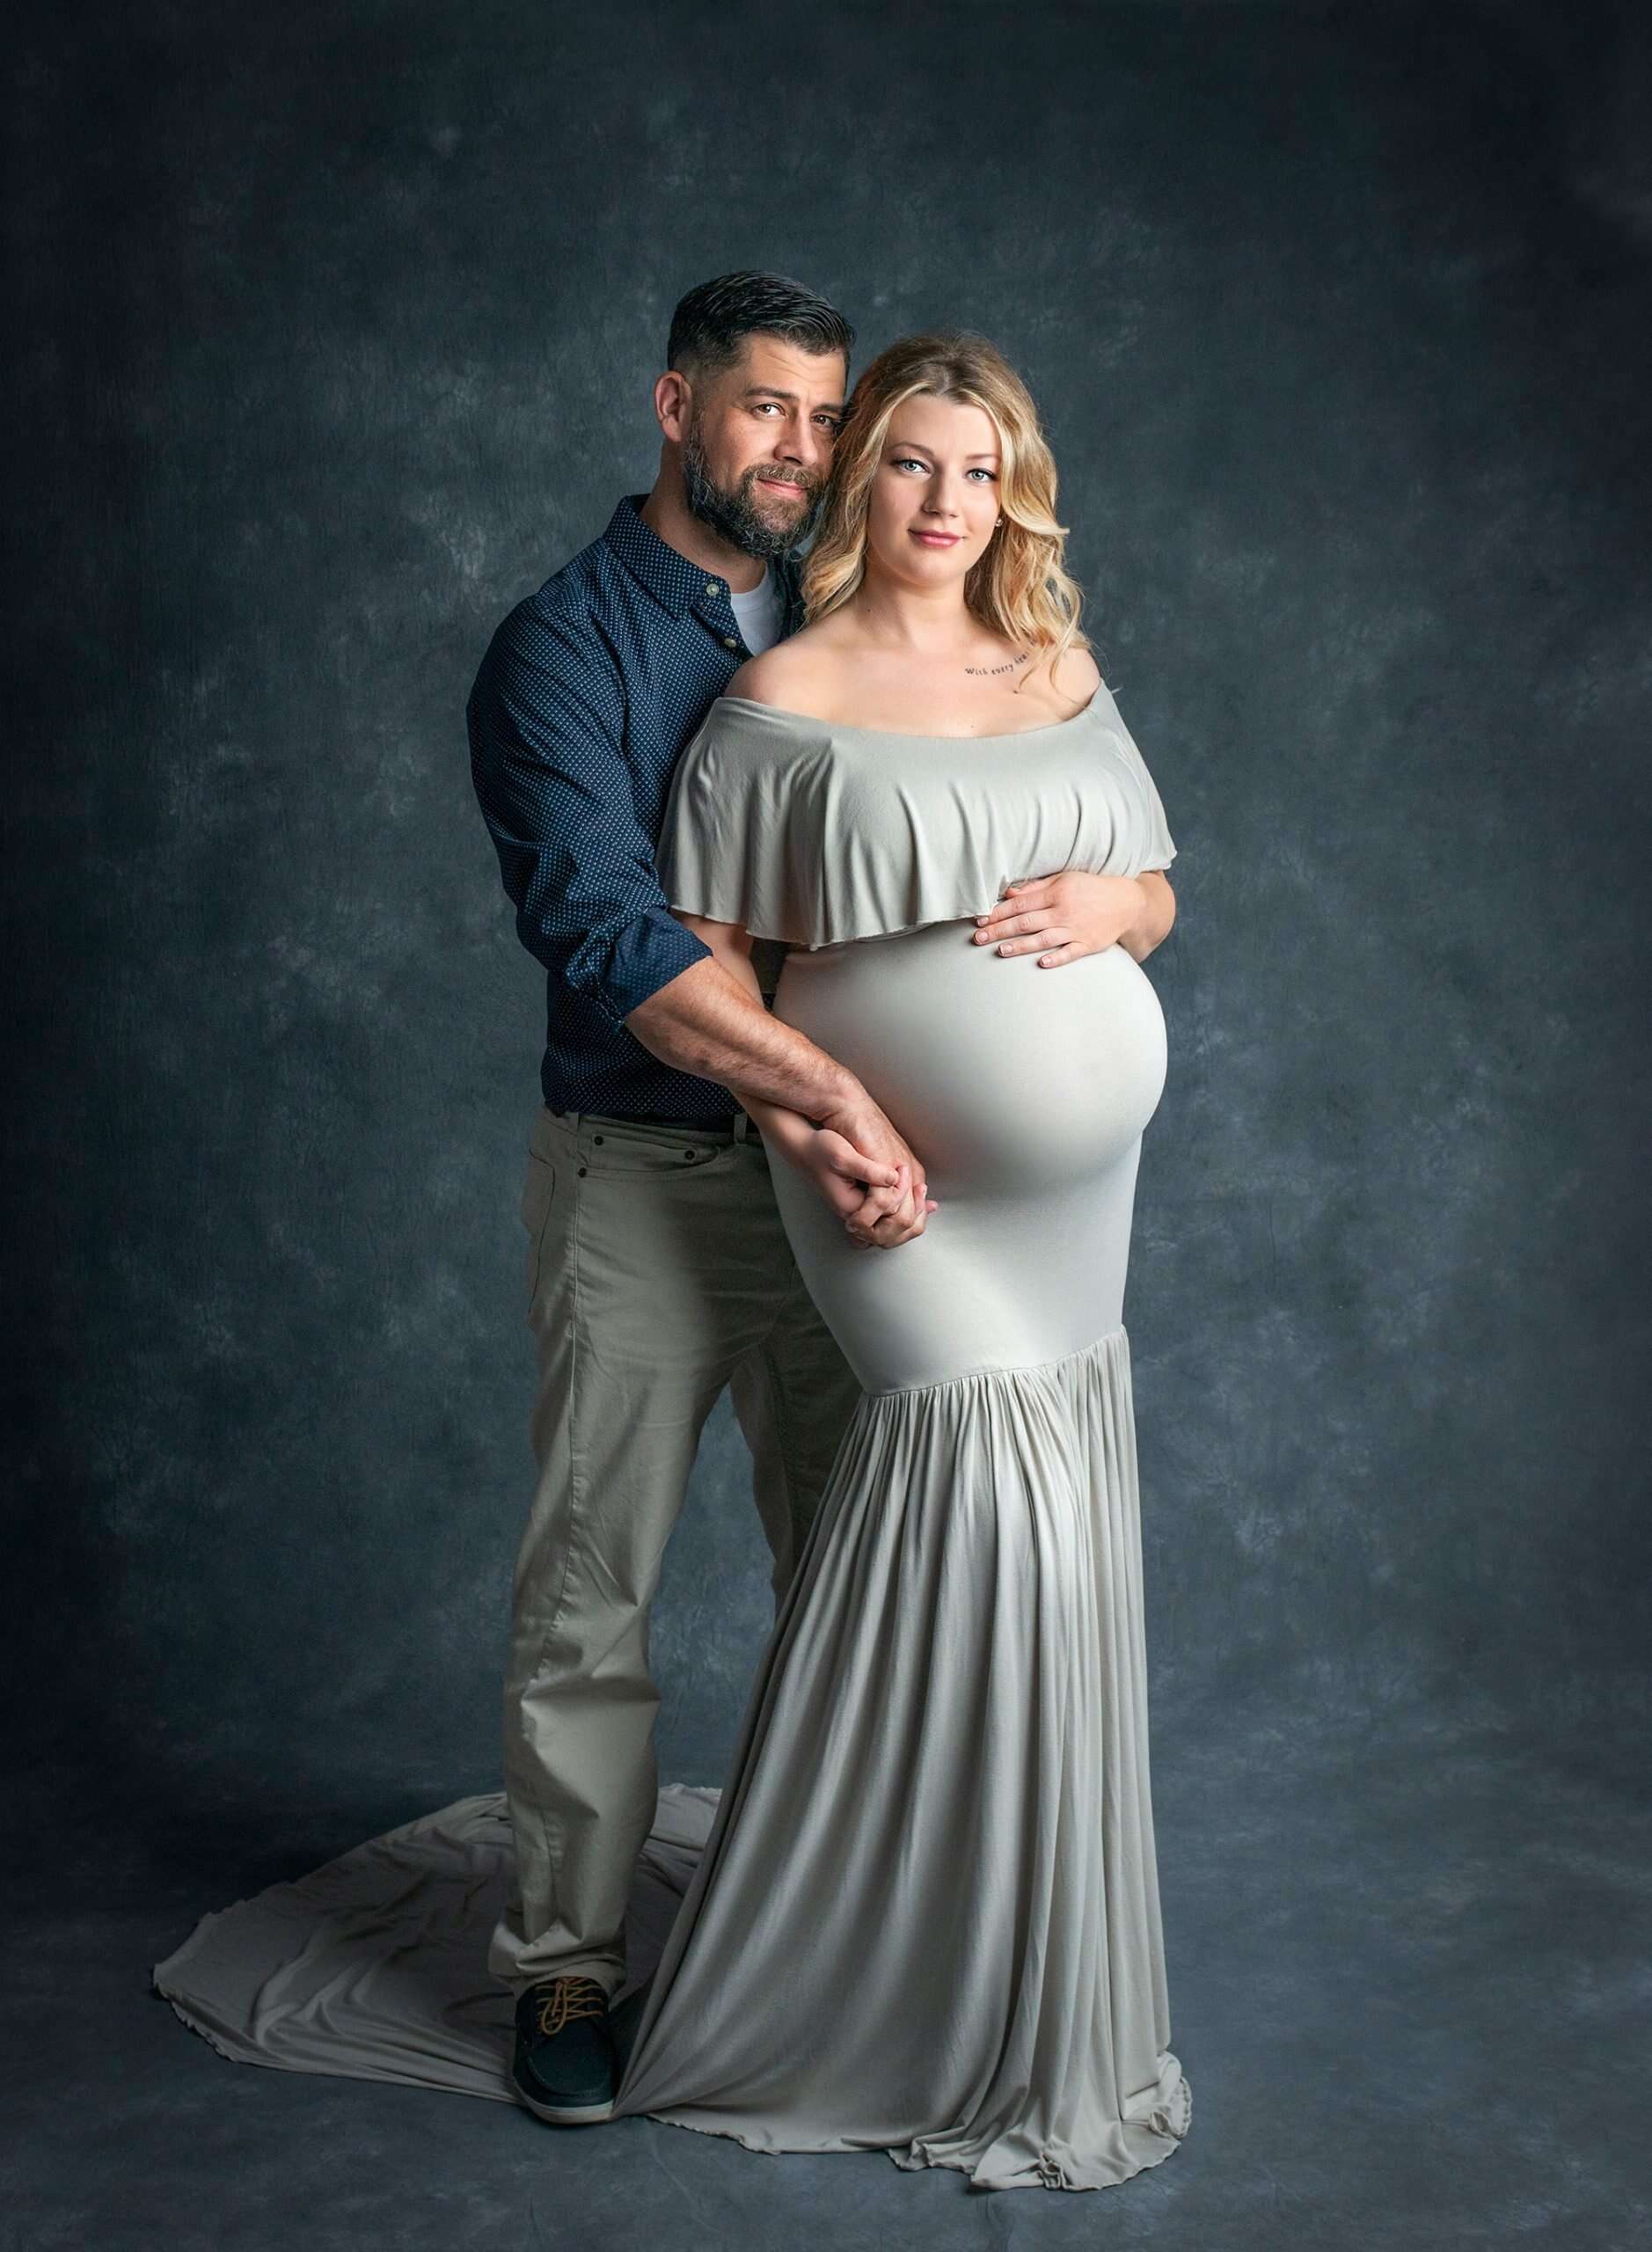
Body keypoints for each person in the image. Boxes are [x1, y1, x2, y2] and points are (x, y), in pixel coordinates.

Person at [603, 331, 1192, 2194]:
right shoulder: (782, 695)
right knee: (984, 1520)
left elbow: (1158, 892)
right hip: (886, 1181)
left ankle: (1017, 1982)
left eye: (980, 469)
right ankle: (856, 1993)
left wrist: (1113, 898)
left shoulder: (1059, 668)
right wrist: (812, 1130)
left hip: (1075, 1210)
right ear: (865, 478)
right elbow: (705, 971)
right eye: (914, 463)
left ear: (1017, 491)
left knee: (1060, 1550)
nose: (947, 501)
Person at [465, 273, 947, 2130]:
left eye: (826, 418)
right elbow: (608, 938)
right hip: (646, 1176)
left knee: (861, 1572)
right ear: (676, 409)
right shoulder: (559, 647)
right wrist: (827, 1092)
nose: (802, 452)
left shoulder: (857, 602)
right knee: (594, 1594)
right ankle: (565, 1961)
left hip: (847, 1189)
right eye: (765, 410)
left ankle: (839, 1937)